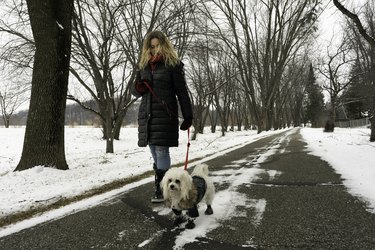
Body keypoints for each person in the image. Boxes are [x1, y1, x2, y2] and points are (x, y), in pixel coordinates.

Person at [132, 31, 193, 203]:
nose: (154, 49)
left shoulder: (172, 65)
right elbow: (134, 91)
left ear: (164, 45)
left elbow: (182, 91)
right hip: (147, 115)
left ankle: (161, 190)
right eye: (151, 46)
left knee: (161, 150)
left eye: (157, 45)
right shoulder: (143, 66)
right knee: (153, 150)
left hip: (165, 114)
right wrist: (139, 86)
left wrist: (188, 115)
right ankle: (163, 185)